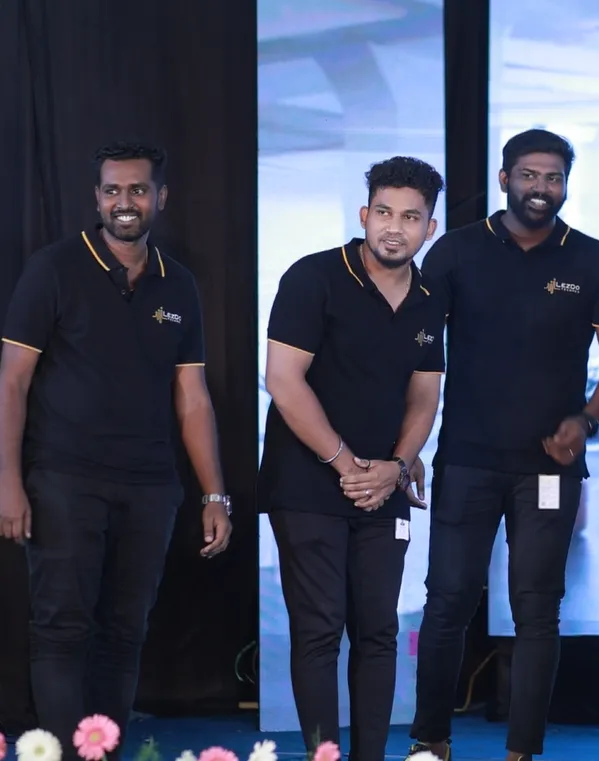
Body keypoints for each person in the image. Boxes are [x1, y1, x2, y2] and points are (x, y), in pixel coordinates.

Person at [407, 129, 599, 761]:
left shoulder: (594, 261)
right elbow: (420, 353)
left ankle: (522, 752)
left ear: (565, 185)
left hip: (549, 468)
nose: (541, 188)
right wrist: (408, 444)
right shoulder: (455, 252)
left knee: (537, 611)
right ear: (505, 178)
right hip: (467, 460)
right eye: (530, 175)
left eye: (553, 178)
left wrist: (585, 421)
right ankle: (431, 741)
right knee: (447, 602)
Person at [0, 141, 232, 760]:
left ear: (161, 197)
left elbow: (193, 398)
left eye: (137, 190)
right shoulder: (53, 269)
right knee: (61, 628)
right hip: (62, 479)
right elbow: (11, 381)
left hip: (150, 485)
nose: (124, 202)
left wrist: (214, 494)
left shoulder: (178, 284)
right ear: (97, 198)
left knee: (125, 633)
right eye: (112, 191)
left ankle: (102, 754)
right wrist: (7, 481)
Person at [258, 157, 447, 761]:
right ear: (365, 215)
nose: (395, 227)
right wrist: (350, 467)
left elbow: (424, 396)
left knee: (379, 631)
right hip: (306, 484)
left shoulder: (428, 298)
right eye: (384, 212)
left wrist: (398, 465)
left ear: (429, 228)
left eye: (411, 217)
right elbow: (283, 381)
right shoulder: (313, 278)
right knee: (319, 631)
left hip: (384, 485)